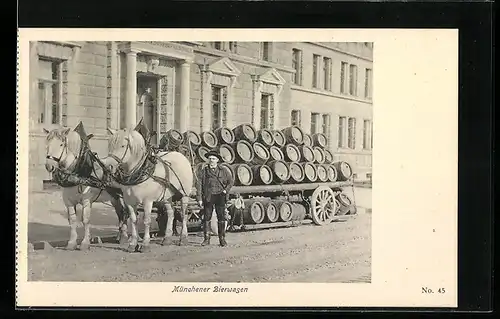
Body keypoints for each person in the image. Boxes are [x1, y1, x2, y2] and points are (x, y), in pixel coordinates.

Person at [196, 150, 234, 247]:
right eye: (210, 159)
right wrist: (199, 198)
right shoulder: (203, 171)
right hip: (208, 196)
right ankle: (206, 239)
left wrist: (226, 190)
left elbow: (231, 181)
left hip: (220, 196)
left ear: (217, 160)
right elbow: (199, 185)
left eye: (213, 159)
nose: (211, 160)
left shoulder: (223, 170)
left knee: (221, 217)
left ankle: (222, 239)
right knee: (207, 218)